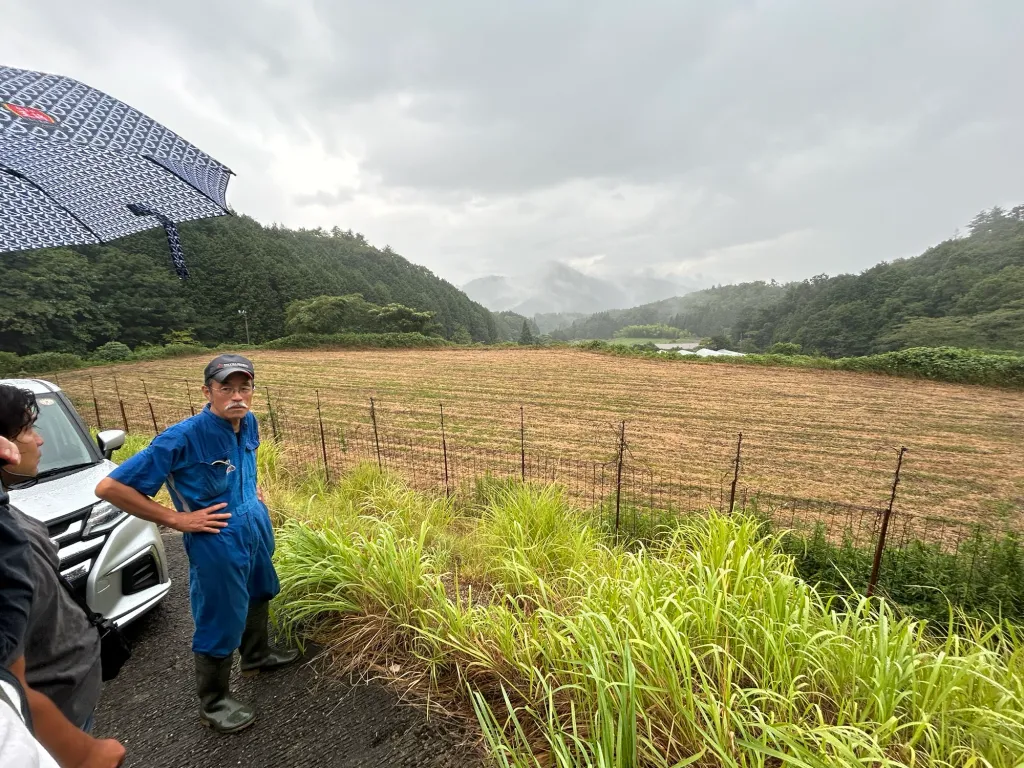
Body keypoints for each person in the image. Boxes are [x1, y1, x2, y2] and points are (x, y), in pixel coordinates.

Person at [95, 354, 298, 734]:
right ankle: (214, 702)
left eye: (244, 388)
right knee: (220, 615)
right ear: (208, 391)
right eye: (226, 388)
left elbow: (241, 468)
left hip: (253, 524)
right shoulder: (181, 437)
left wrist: (254, 499)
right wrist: (176, 519)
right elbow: (110, 487)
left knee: (260, 590)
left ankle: (256, 656)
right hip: (215, 538)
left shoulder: (247, 421)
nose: (237, 396)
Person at [0, 385, 126, 767]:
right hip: (53, 717)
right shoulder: (5, 540)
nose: (38, 440)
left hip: (70, 690)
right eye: (26, 430)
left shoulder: (10, 514)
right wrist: (85, 754)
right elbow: (9, 682)